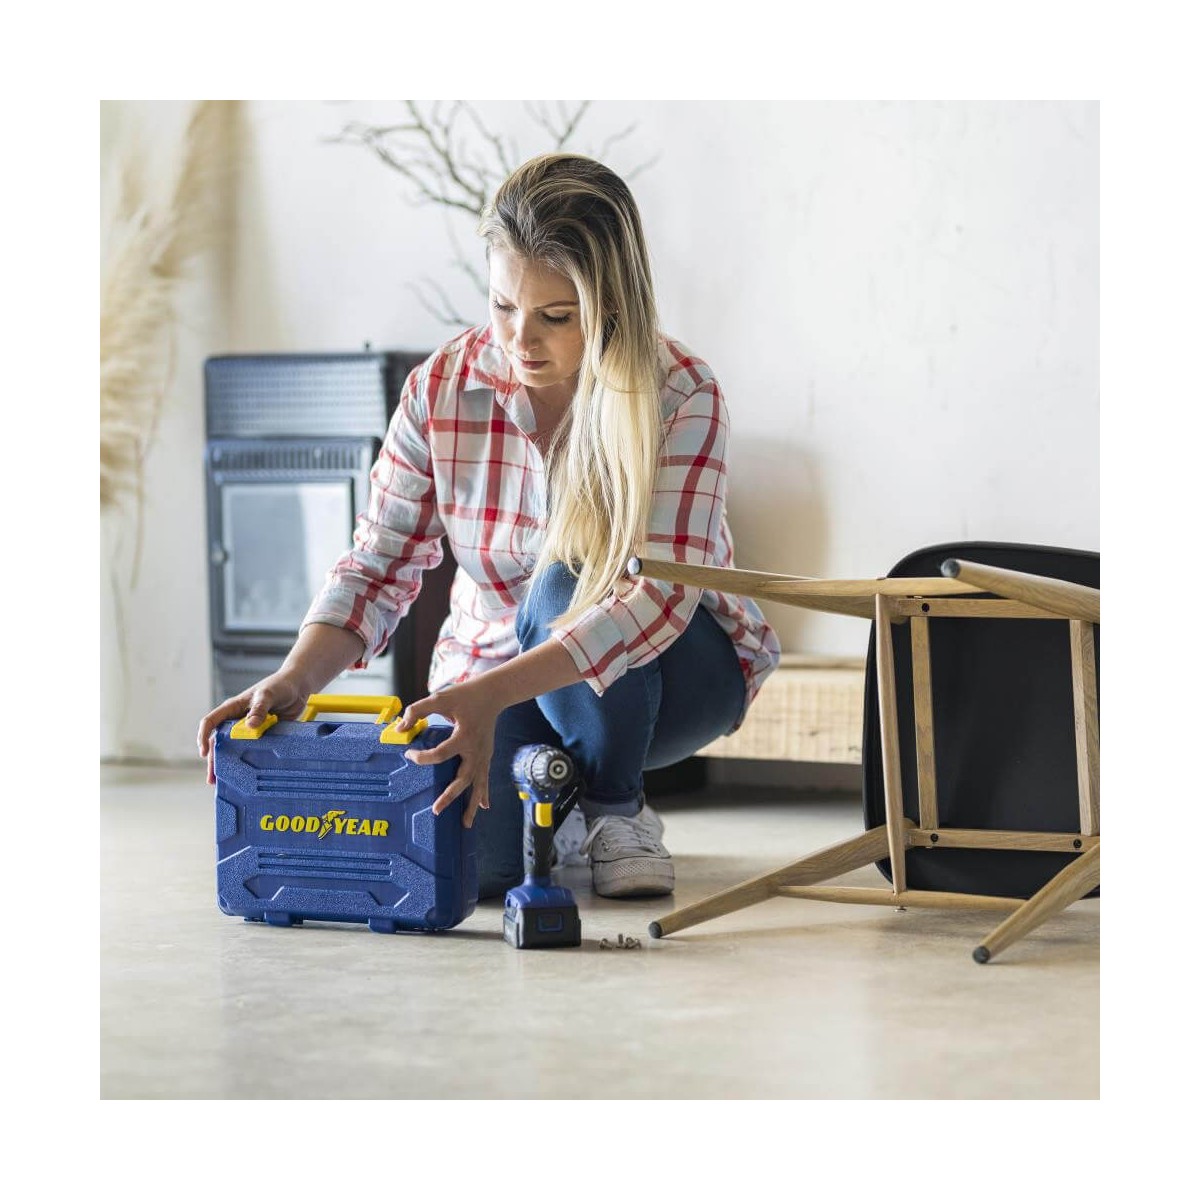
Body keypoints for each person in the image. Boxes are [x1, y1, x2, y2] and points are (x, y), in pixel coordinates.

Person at [197, 153, 781, 900]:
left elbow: (658, 600)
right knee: (478, 871)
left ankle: (616, 806)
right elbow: (378, 562)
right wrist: (296, 678)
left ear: (611, 304)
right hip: (497, 674)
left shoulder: (681, 393)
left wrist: (490, 695)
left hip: (678, 674)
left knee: (562, 581)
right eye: (504, 307)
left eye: (556, 317)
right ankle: (559, 798)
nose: (520, 341)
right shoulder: (439, 388)